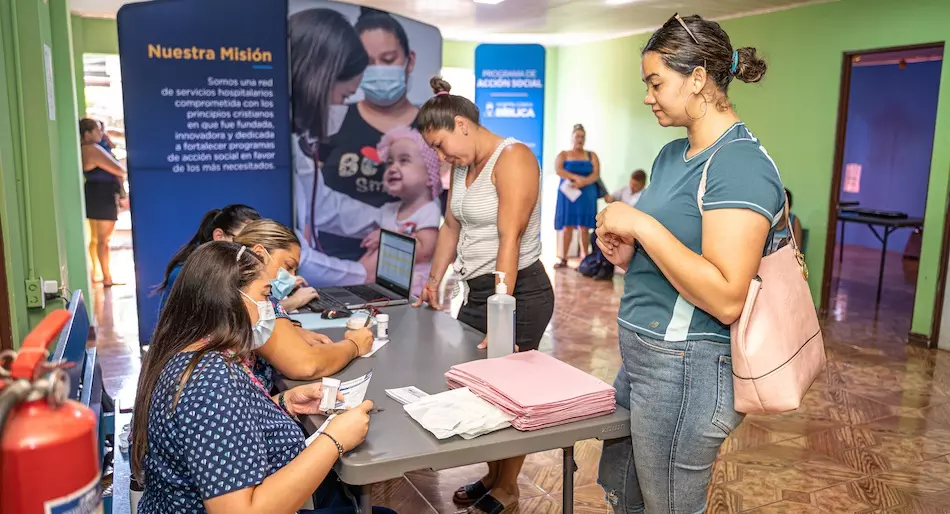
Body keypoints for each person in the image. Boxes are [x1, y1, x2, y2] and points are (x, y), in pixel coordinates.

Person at [594, 13, 781, 513]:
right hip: (644, 354)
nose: (648, 96)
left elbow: (724, 297)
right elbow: (676, 251)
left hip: (687, 367)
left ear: (698, 77)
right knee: (627, 494)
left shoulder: (738, 164)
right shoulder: (672, 155)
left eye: (656, 82)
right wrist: (629, 252)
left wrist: (642, 225)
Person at [131, 241, 392, 514]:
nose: (269, 307)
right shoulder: (211, 382)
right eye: (265, 296)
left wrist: (284, 403)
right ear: (232, 299)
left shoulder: (198, 355)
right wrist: (334, 439)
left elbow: (224, 428)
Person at [413, 77, 555, 514]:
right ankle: (493, 476)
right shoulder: (462, 165)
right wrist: (434, 279)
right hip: (480, 291)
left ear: (463, 125)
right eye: (433, 151)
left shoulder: (513, 158)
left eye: (441, 145)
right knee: (485, 390)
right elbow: (452, 226)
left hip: (519, 293)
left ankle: (508, 488)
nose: (440, 157)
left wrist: (501, 314)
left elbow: (508, 239)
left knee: (511, 393)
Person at [317, 8, 420, 261]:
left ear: (410, 60)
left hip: (406, 264)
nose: (378, 70)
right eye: (367, 62)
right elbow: (312, 200)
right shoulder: (332, 119)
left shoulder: (431, 126)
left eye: (387, 59)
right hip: (332, 263)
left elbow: (448, 212)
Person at [290, 8, 382, 287]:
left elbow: (321, 206)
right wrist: (361, 272)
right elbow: (283, 253)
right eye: (345, 96)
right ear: (318, 81)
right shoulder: (264, 147)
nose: (344, 108)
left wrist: (387, 221)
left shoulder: (291, 141)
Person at [233, 219, 375, 391]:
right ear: (259, 254)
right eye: (289, 266)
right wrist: (354, 345)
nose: (292, 278)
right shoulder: (253, 302)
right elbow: (306, 365)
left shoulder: (230, 286)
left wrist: (292, 330)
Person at [360, 126, 442, 296]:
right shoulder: (388, 210)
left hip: (414, 291)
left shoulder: (428, 210)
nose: (393, 168)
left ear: (429, 174)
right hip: (383, 287)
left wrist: (384, 239)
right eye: (389, 162)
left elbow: (425, 251)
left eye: (404, 160)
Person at [156, 204, 262, 311]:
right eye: (245, 243)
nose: (251, 252)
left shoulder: (243, 274)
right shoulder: (185, 274)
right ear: (219, 236)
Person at [80, 118, 127, 287]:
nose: (102, 133)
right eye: (98, 130)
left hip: (95, 194)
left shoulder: (87, 149)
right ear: (87, 134)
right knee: (103, 240)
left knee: (96, 239)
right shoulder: (92, 149)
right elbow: (119, 169)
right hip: (102, 196)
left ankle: (97, 275)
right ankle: (107, 277)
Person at [553, 124, 601, 268]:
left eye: (582, 137)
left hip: (587, 193)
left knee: (584, 227)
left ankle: (585, 258)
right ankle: (563, 257)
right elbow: (558, 169)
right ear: (572, 137)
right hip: (569, 194)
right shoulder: (563, 154)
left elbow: (596, 173)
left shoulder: (591, 155)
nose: (580, 139)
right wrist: (575, 178)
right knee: (567, 226)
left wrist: (583, 182)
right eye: (577, 136)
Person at [768, 187, 803, 252]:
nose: (780, 211)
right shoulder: (767, 220)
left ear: (789, 207)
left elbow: (797, 249)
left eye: (783, 208)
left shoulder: (794, 221)